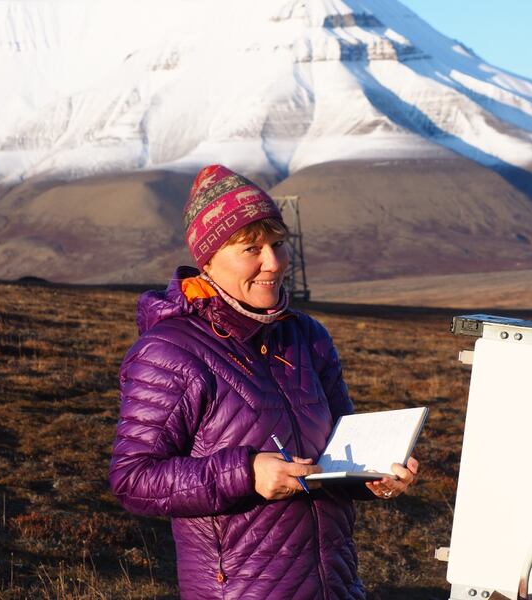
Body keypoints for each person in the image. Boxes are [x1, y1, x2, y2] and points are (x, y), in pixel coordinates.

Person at [108, 164, 419, 599]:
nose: (273, 263)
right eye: (251, 248)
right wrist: (245, 474)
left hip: (337, 587)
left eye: (278, 244)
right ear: (208, 259)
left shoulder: (307, 337)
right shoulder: (171, 351)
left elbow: (336, 454)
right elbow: (133, 478)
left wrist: (375, 477)